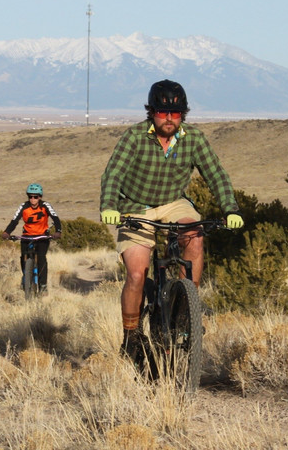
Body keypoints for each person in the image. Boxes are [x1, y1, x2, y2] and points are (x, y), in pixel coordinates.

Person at [100, 79, 244, 356]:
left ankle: (185, 309)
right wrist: (109, 206)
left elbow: (216, 174)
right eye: (163, 112)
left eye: (176, 113)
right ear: (151, 112)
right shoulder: (135, 137)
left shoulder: (194, 139)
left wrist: (231, 209)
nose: (169, 118)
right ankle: (130, 336)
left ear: (183, 114)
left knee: (194, 236)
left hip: (174, 203)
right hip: (135, 207)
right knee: (136, 273)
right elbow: (113, 174)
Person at [2, 183, 62, 293]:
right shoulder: (24, 206)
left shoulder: (45, 206)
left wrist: (58, 231)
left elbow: (55, 218)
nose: (33, 199)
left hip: (42, 236)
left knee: (41, 259)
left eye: (36, 197)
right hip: (27, 236)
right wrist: (7, 232)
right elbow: (15, 220)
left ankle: (43, 286)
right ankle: (26, 279)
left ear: (40, 197)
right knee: (23, 258)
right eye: (30, 196)